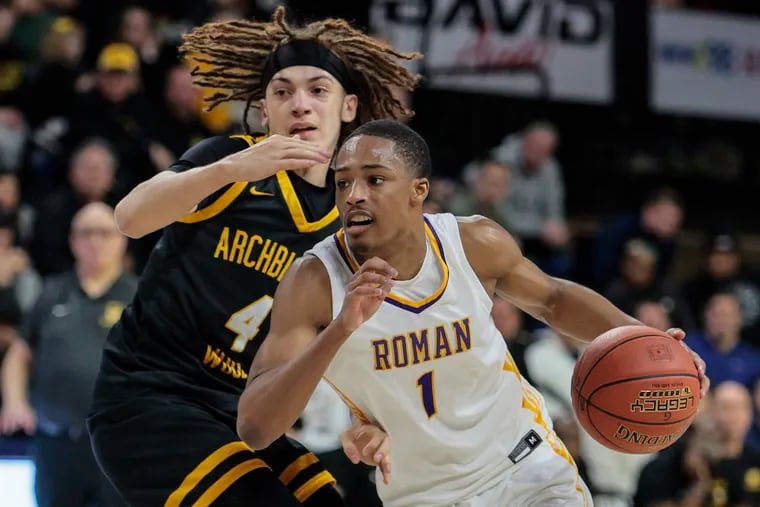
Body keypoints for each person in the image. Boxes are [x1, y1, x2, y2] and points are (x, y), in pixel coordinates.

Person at [237, 120, 709, 507]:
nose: (354, 194)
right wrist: (340, 329)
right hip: (422, 495)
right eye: (343, 183)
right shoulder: (315, 281)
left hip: (525, 467)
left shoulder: (471, 242)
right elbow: (256, 428)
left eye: (374, 179)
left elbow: (554, 299)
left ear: (417, 190)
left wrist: (652, 343)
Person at [87, 8, 420, 507]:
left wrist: (367, 419)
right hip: (148, 398)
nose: (299, 104)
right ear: (265, 111)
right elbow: (129, 218)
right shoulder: (229, 163)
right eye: (282, 92)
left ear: (349, 108)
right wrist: (230, 167)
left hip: (240, 412)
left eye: (317, 90)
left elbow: (358, 333)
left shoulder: (352, 219)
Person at [1, 203, 134, 507]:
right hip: (56, 443)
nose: (95, 241)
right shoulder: (52, 293)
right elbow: (19, 354)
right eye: (86, 233)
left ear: (121, 239)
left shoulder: (137, 296)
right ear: (72, 241)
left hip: (117, 446)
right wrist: (14, 401)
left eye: (104, 233)